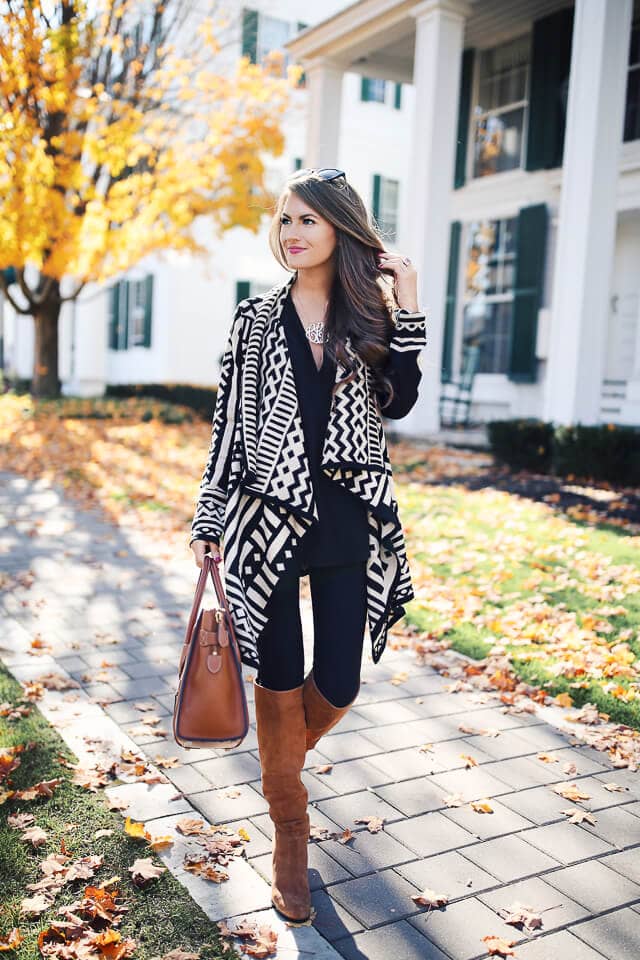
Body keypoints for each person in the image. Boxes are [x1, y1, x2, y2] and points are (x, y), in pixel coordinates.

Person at [189, 167, 427, 922]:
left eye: (307, 222)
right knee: (282, 673)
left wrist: (409, 302)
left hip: (347, 518)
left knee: (342, 682)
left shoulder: (370, 316)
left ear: (341, 230)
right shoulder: (254, 320)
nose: (291, 233)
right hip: (267, 522)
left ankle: (280, 763)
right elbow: (229, 428)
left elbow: (402, 401)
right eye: (285, 220)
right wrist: (208, 518)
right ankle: (290, 836)